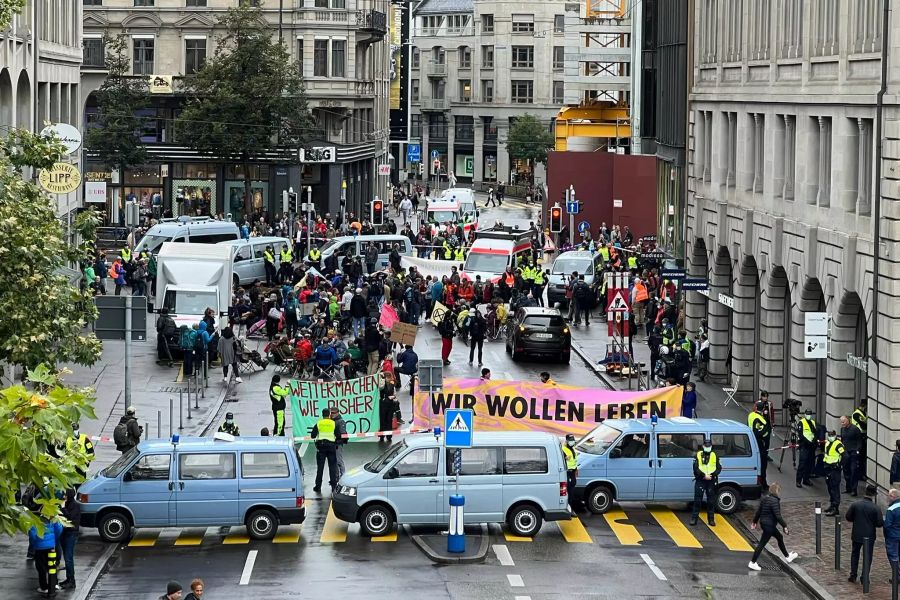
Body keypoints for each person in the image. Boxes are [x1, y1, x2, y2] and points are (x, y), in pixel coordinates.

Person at [748, 483, 799, 571]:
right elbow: (778, 516)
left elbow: (758, 512)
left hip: (764, 524)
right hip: (769, 526)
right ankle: (752, 562)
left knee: (779, 537)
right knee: (762, 543)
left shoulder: (765, 499)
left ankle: (787, 556)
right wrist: (784, 526)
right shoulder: (775, 501)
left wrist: (754, 522)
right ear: (777, 491)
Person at [846, 484, 883, 584]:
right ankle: (864, 576)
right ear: (874, 495)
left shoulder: (856, 504)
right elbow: (879, 523)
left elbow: (848, 517)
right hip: (869, 535)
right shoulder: (875, 508)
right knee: (868, 556)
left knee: (855, 554)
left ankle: (853, 575)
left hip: (857, 534)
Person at [690, 437, 721, 526]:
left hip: (711, 480)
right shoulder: (698, 455)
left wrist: (711, 475)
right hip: (701, 480)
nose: (708, 447)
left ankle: (711, 519)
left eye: (709, 446)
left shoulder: (715, 455)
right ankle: (694, 519)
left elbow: (719, 468)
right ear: (703, 446)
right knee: (697, 500)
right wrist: (704, 475)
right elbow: (695, 468)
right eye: (706, 446)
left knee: (711, 501)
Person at [30, 518, 64, 596]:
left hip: (39, 547)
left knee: (41, 567)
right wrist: (53, 539)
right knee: (52, 565)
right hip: (51, 546)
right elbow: (59, 528)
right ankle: (54, 584)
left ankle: (44, 587)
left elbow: (32, 534)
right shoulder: (52, 517)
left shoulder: (35, 519)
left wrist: (34, 543)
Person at [311, 408, 338, 493]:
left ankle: (318, 486)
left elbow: (312, 435)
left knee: (320, 468)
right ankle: (334, 486)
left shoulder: (319, 423)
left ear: (322, 415)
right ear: (329, 414)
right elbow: (338, 435)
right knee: (332, 467)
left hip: (321, 447)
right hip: (331, 447)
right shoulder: (333, 423)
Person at [59, 489, 80, 590]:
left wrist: (63, 508)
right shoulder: (67, 504)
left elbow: (70, 518)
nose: (64, 496)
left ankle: (71, 580)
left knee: (68, 558)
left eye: (65, 494)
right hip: (65, 533)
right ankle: (68, 579)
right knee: (67, 557)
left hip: (71, 534)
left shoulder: (74, 505)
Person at [823, 429, 846, 516]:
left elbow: (845, 456)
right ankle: (832, 505)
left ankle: (835, 508)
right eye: (829, 435)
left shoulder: (838, 444)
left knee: (835, 489)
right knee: (830, 487)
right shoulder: (828, 442)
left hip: (835, 469)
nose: (830, 437)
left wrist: (839, 465)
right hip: (828, 468)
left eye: (832, 436)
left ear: (835, 436)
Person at [748, 401, 770, 488]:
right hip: (760, 444)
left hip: (751, 442)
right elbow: (762, 432)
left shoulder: (751, 415)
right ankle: (763, 484)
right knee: (762, 465)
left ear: (756, 408)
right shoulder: (760, 419)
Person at [841, 414, 863, 496]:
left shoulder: (855, 429)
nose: (842, 423)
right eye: (841, 422)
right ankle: (848, 488)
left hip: (853, 452)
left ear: (848, 421)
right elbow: (843, 440)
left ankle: (854, 489)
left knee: (853, 471)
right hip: (846, 452)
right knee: (846, 470)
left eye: (843, 422)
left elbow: (859, 441)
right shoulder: (842, 429)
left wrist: (857, 450)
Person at [796, 408, 817, 488]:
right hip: (804, 446)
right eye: (807, 414)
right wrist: (808, 442)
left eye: (810, 414)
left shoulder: (813, 422)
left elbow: (815, 433)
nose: (808, 416)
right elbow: (801, 435)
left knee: (810, 463)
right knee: (802, 463)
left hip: (811, 446)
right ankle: (798, 481)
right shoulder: (801, 423)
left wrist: (814, 440)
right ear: (805, 414)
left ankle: (806, 479)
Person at [379, 373, 398, 442]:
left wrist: (393, 397)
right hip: (383, 404)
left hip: (390, 404)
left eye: (390, 378)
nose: (389, 379)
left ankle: (389, 436)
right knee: (383, 420)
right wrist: (382, 379)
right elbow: (380, 387)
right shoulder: (382, 384)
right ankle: (382, 436)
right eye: (388, 378)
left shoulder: (392, 385)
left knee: (389, 420)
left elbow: (395, 394)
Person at [886, 489, 900, 581]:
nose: (888, 497)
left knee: (893, 555)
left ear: (893, 497)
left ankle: (897, 576)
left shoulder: (891, 509)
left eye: (889, 496)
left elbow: (887, 525)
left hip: (893, 536)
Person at [562, 434, 578, 510]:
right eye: (570, 440)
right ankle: (568, 508)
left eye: (573, 440)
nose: (572, 442)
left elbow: (574, 460)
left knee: (572, 491)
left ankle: (570, 507)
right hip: (567, 472)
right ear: (567, 441)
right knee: (568, 491)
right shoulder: (563, 449)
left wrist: (576, 470)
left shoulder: (573, 448)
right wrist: (564, 458)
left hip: (572, 472)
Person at [330, 407, 348, 478]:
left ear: (337, 413)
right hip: (332, 443)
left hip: (338, 443)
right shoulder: (331, 421)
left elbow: (343, 434)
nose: (331, 414)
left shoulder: (341, 421)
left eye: (333, 413)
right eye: (331, 413)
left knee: (339, 460)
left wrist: (338, 439)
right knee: (334, 461)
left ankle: (343, 475)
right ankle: (336, 476)